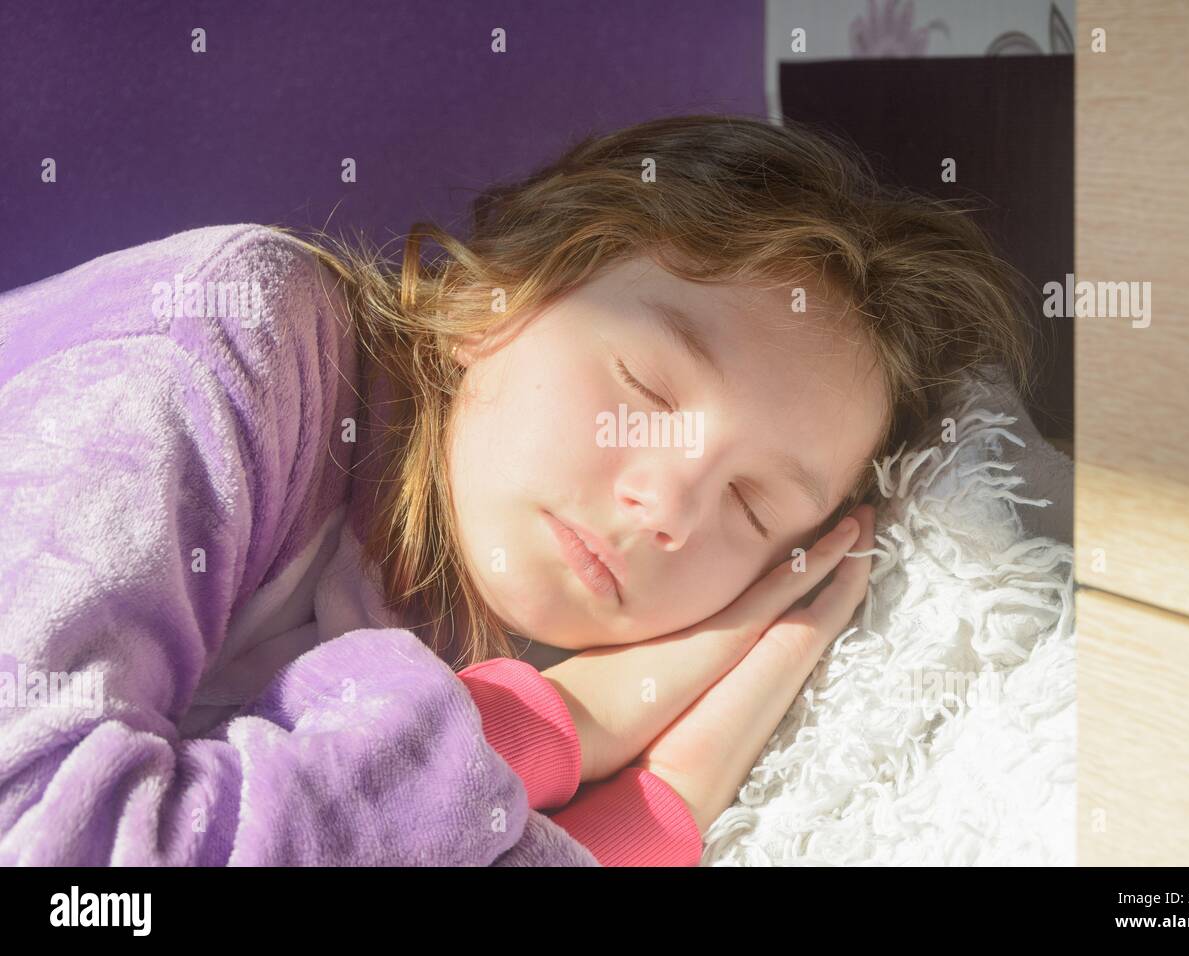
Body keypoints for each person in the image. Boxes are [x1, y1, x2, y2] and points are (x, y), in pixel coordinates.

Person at [0, 114, 1033, 865]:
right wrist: (547, 725)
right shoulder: (233, 336)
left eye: (753, 507)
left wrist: (652, 802)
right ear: (496, 289)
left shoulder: (497, 624)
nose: (668, 507)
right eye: (646, 384)